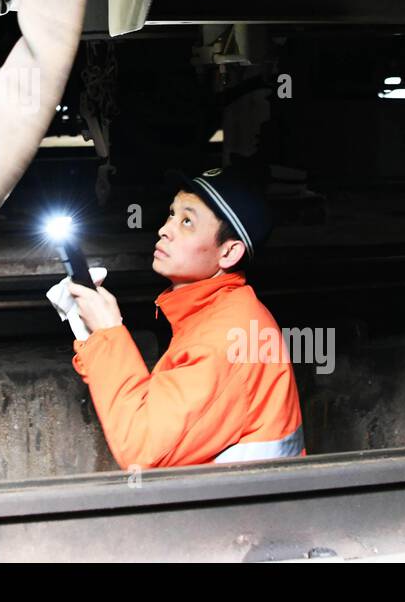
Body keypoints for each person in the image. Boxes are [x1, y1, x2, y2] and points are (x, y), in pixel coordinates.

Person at [66, 168, 305, 469]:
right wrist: (94, 336)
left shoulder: (227, 339)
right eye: (171, 215)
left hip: (236, 513)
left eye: (187, 221)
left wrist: (108, 333)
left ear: (229, 253)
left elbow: (141, 448)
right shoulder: (218, 312)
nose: (165, 230)